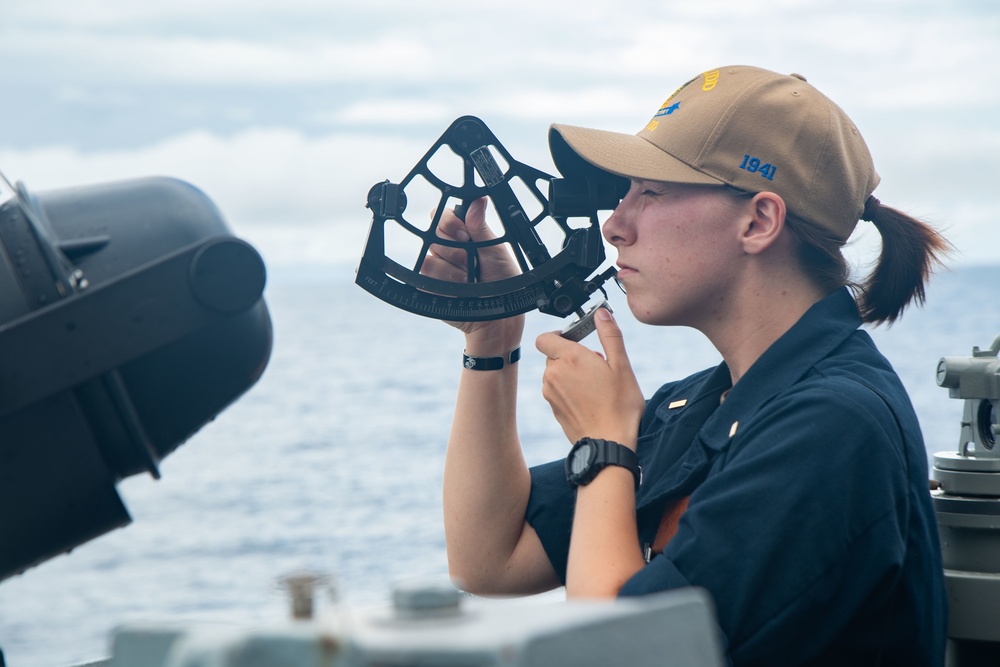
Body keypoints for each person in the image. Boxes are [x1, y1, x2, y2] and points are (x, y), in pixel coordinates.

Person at [420, 65, 950, 666]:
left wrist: (604, 445)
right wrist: (493, 337)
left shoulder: (832, 427)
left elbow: (618, 658)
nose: (615, 225)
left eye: (650, 192)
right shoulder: (705, 407)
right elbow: (490, 557)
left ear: (758, 221)